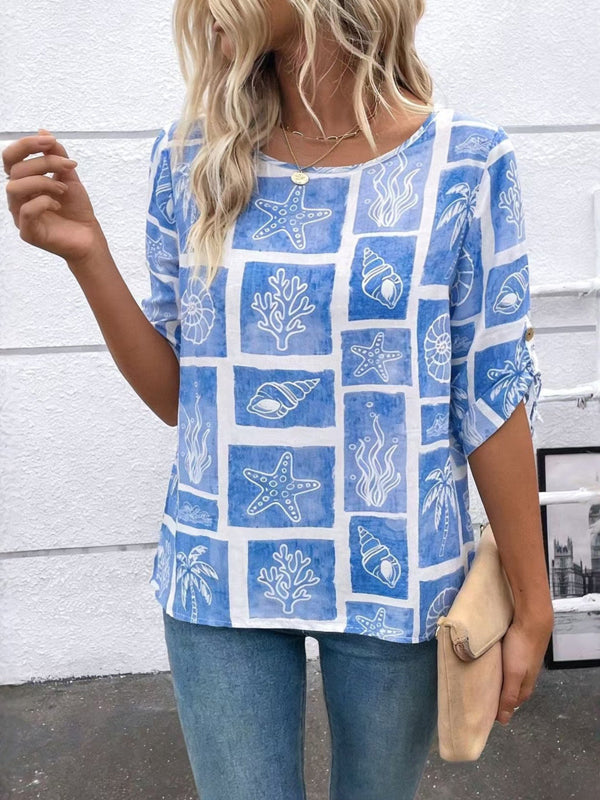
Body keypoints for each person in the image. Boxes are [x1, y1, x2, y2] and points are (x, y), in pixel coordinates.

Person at [3, 1, 555, 798]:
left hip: (394, 569)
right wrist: (88, 255)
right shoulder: (189, 158)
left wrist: (534, 607)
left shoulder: (464, 164)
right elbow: (181, 398)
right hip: (218, 569)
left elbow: (491, 395)